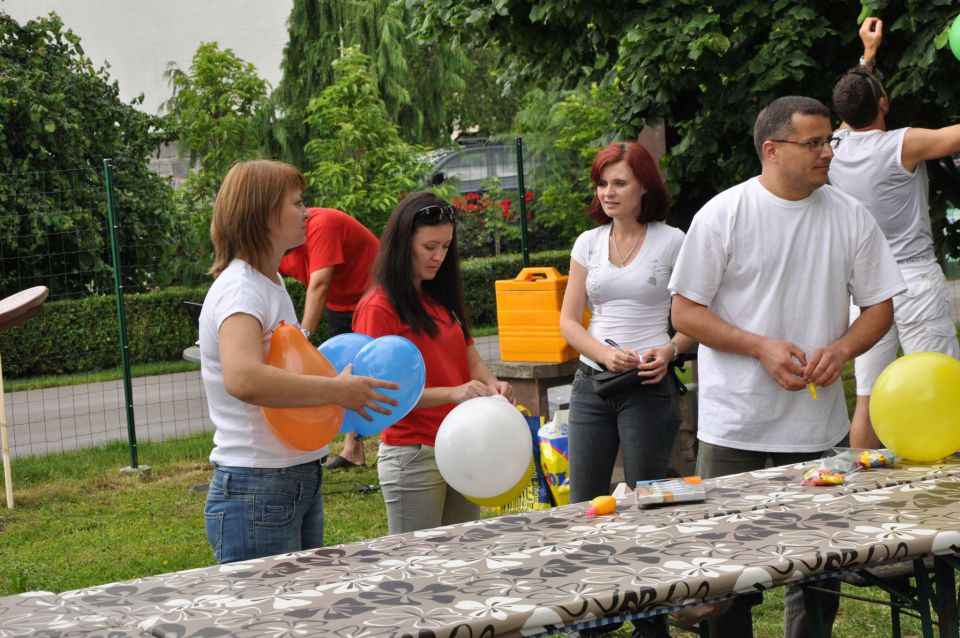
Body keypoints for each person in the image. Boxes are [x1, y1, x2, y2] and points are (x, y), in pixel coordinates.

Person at [668, 96, 905, 637]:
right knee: (726, 578)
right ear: (772, 150)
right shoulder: (723, 213)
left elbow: (880, 308)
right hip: (734, 425)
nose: (829, 153)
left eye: (831, 141)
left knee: (820, 575)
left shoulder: (850, 214)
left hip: (816, 429)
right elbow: (684, 311)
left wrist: (842, 349)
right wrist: (760, 347)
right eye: (816, 143)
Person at [198, 159, 398, 564]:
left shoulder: (268, 284)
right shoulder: (240, 290)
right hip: (258, 486)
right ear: (265, 214)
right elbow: (244, 378)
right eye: (297, 202)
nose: (307, 212)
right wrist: (337, 391)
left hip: (290, 479)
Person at [829, 17, 960, 448]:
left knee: (866, 397)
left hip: (867, 290)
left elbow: (853, 104)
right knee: (942, 387)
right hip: (915, 281)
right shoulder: (903, 144)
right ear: (883, 104)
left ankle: (862, 491)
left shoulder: (834, 147)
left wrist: (867, 54)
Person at [352, 191, 515, 535]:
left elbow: (471, 358)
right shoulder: (378, 307)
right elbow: (378, 394)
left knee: (463, 559)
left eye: (446, 247)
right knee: (418, 570)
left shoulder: (439, 297)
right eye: (430, 247)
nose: (439, 256)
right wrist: (452, 394)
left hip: (466, 444)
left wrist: (492, 385)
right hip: (415, 454)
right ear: (402, 243)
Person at [559, 141, 693, 501]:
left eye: (619, 183)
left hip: (646, 383)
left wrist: (669, 351)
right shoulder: (587, 242)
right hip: (591, 383)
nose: (607, 193)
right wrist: (603, 355)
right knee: (582, 502)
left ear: (645, 185)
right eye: (602, 184)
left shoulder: (673, 241)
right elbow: (569, 322)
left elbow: (697, 317)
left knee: (645, 497)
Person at [279, 207, 380, 470]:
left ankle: (401, 443)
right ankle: (353, 450)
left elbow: (320, 283)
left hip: (376, 294)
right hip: (340, 302)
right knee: (346, 370)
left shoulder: (320, 225)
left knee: (378, 367)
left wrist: (301, 340)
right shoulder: (276, 244)